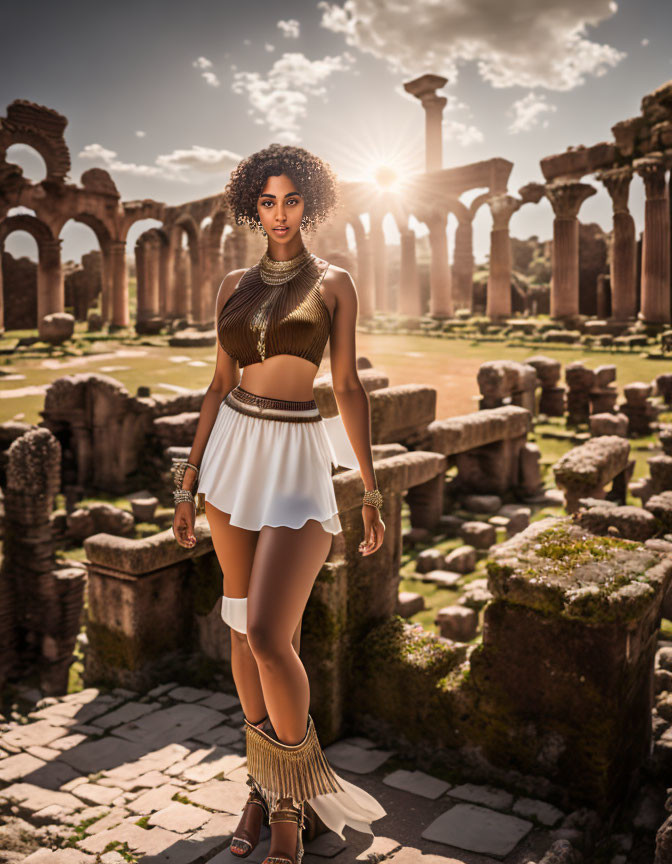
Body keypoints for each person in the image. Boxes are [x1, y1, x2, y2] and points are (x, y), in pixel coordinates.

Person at [172, 143, 386, 864]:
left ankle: (292, 801)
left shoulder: (335, 283)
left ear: (311, 204)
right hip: (231, 453)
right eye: (267, 201)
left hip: (297, 458)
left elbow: (349, 387)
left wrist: (372, 490)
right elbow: (216, 382)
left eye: (292, 199)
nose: (281, 213)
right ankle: (263, 788)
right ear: (250, 206)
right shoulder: (233, 281)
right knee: (239, 635)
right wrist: (188, 480)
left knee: (269, 635)